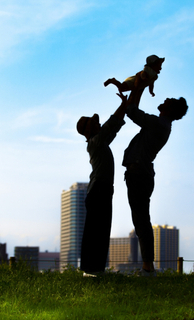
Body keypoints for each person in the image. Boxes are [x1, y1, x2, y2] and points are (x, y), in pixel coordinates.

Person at [122, 96, 188, 276]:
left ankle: (148, 267)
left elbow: (135, 114)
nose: (165, 98)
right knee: (141, 219)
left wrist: (130, 99)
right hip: (140, 173)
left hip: (139, 173)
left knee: (141, 220)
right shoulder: (161, 124)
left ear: (170, 109)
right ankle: (147, 266)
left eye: (170, 100)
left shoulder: (159, 124)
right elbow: (136, 113)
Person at [76, 92, 127, 276]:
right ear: (89, 131)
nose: (98, 124)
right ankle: (91, 269)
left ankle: (95, 269)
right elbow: (110, 125)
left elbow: (113, 128)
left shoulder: (101, 143)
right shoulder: (95, 143)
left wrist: (125, 106)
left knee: (100, 230)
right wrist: (123, 105)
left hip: (102, 190)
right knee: (96, 231)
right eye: (94, 123)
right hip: (99, 190)